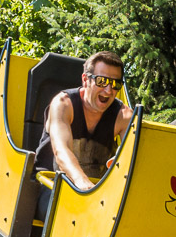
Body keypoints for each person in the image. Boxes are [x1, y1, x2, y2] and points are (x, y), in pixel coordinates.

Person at [34, 51, 134, 193]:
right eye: (102, 81)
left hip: (97, 192)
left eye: (115, 84)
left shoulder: (124, 116)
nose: (108, 90)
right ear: (85, 80)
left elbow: (133, 158)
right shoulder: (63, 104)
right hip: (50, 184)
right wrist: (82, 182)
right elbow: (61, 151)